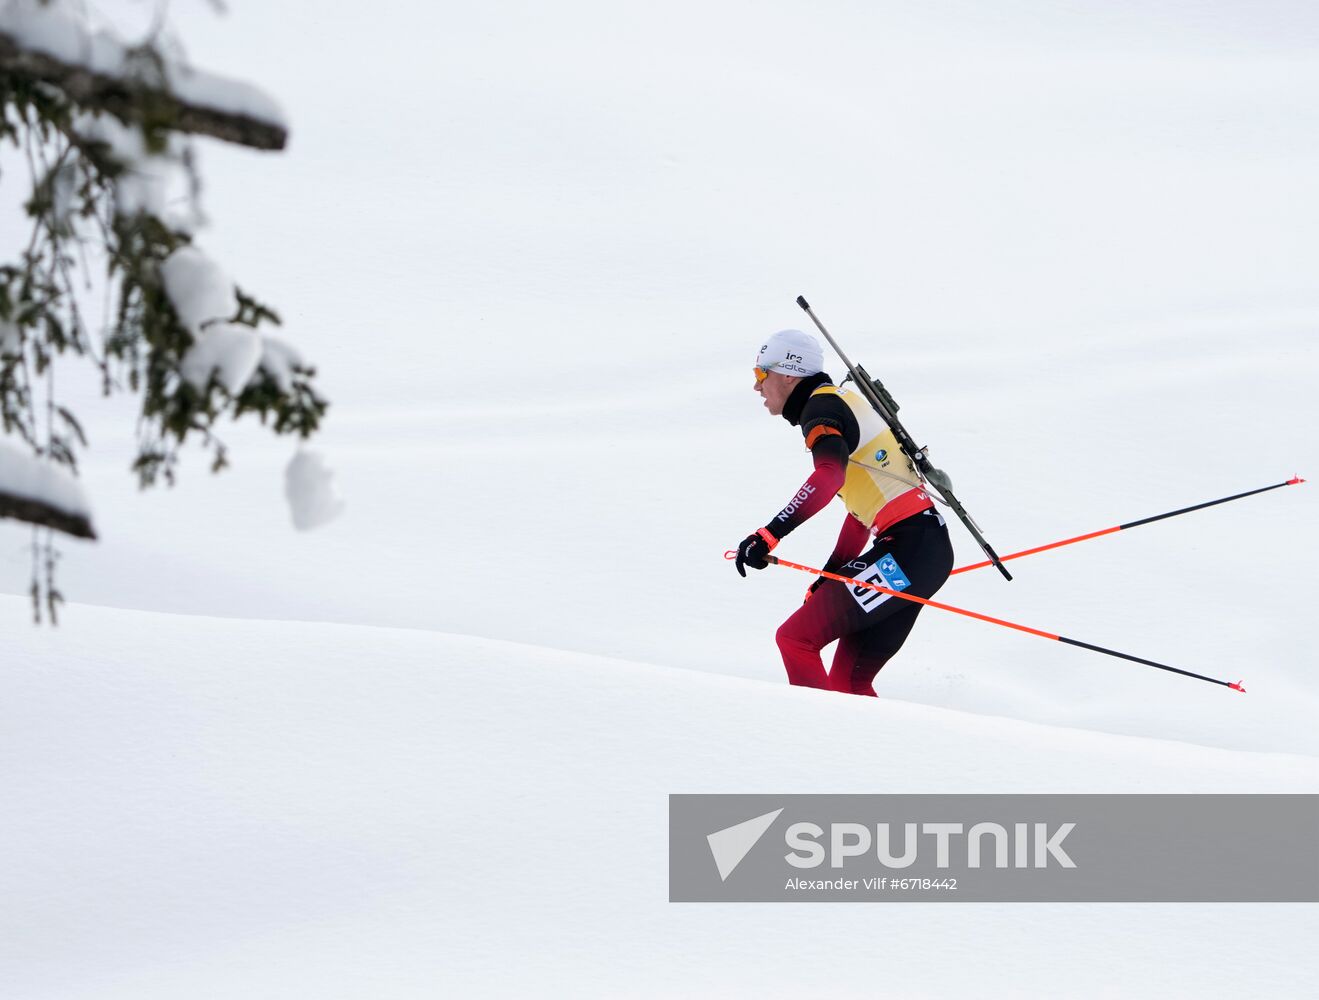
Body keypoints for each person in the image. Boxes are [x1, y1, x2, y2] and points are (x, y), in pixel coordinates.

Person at [733, 328, 954, 695]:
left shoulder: (821, 408)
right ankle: (859, 750)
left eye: (761, 374)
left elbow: (829, 477)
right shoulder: (839, 402)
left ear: (788, 373)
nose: (757, 386)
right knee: (849, 683)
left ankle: (817, 743)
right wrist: (830, 575)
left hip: (909, 549)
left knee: (794, 639)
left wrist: (768, 534)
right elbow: (861, 512)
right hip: (920, 549)